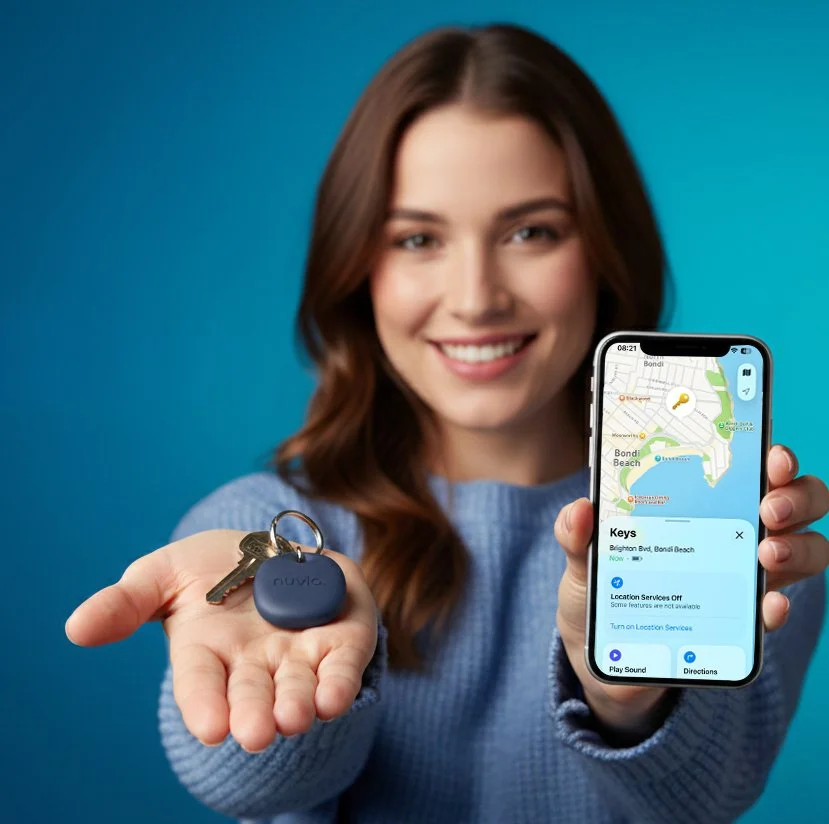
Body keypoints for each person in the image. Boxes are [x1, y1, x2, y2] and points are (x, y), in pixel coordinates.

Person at [64, 22, 828, 824]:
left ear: (605, 251)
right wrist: (313, 677)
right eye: (418, 238)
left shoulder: (734, 536)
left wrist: (622, 695)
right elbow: (243, 782)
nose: (474, 297)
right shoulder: (263, 535)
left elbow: (697, 805)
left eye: (530, 231)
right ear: (357, 266)